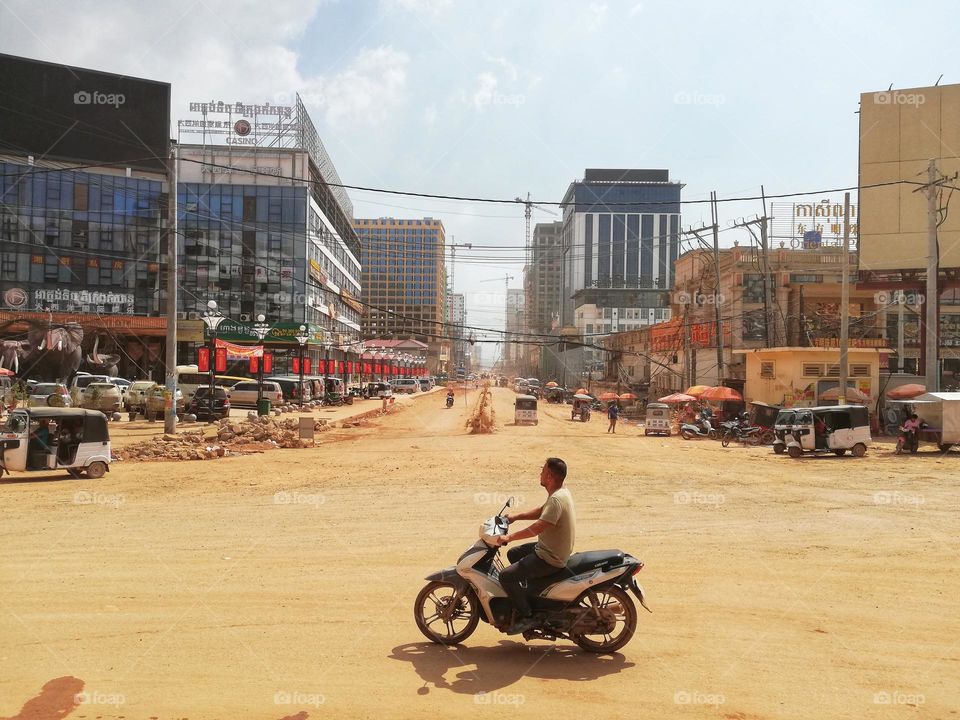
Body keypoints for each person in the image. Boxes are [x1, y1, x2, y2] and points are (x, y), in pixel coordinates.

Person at [496, 458, 576, 634]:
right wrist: (515, 517)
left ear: (549, 476)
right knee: (514, 554)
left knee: (506, 577)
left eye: (542, 471)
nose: (540, 473)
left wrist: (509, 536)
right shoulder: (561, 493)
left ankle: (527, 616)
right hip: (550, 548)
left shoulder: (556, 499)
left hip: (550, 557)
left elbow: (539, 526)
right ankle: (530, 597)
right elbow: (542, 511)